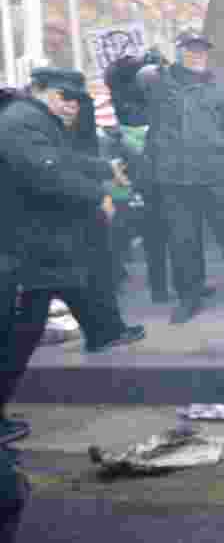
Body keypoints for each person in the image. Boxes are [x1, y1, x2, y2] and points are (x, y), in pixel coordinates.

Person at [0, 68, 145, 443]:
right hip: (21, 246)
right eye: (61, 96)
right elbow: (44, 173)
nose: (69, 105)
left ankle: (103, 329)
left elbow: (62, 159)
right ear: (36, 89)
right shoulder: (22, 120)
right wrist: (98, 193)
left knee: (31, 323)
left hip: (36, 245)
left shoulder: (36, 119)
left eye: (75, 99)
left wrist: (101, 169)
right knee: (17, 335)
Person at [108, 31, 224, 324]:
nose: (196, 54)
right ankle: (189, 296)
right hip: (174, 179)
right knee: (183, 241)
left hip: (216, 174)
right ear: (178, 51)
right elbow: (124, 96)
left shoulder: (218, 88)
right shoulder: (157, 83)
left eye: (201, 50)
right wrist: (131, 64)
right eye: (190, 49)